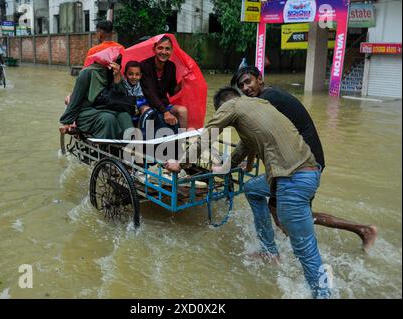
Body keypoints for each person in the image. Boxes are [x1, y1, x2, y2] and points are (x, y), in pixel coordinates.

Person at [166, 87, 331, 298]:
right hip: (307, 171)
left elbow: (207, 137)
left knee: (306, 251)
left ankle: (324, 294)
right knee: (252, 189)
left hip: (292, 179)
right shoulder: (260, 105)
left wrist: (180, 164)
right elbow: (246, 144)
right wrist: (228, 167)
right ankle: (269, 251)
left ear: (223, 106)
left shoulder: (231, 106)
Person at [230, 66, 378, 251]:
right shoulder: (270, 96)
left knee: (272, 205)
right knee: (287, 213)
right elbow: (256, 137)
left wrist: (229, 165)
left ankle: (283, 250)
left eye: (248, 81)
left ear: (260, 79)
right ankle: (360, 230)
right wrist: (250, 164)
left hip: (301, 165)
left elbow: (248, 139)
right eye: (241, 85)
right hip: (306, 162)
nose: (245, 88)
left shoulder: (266, 101)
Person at [59, 58, 134, 139]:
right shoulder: (86, 73)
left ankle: (131, 146)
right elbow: (75, 99)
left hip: (110, 108)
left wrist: (117, 77)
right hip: (88, 111)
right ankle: (105, 147)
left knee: (125, 116)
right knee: (108, 119)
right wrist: (66, 123)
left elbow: (121, 96)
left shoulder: (115, 72)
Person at [140, 36, 189, 129]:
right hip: (146, 103)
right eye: (160, 48)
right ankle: (146, 142)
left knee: (182, 111)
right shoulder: (145, 65)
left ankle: (181, 142)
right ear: (154, 49)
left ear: (171, 51)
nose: (164, 52)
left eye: (167, 49)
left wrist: (184, 81)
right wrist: (165, 112)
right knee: (147, 111)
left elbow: (171, 91)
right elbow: (150, 93)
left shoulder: (171, 66)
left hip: (163, 104)